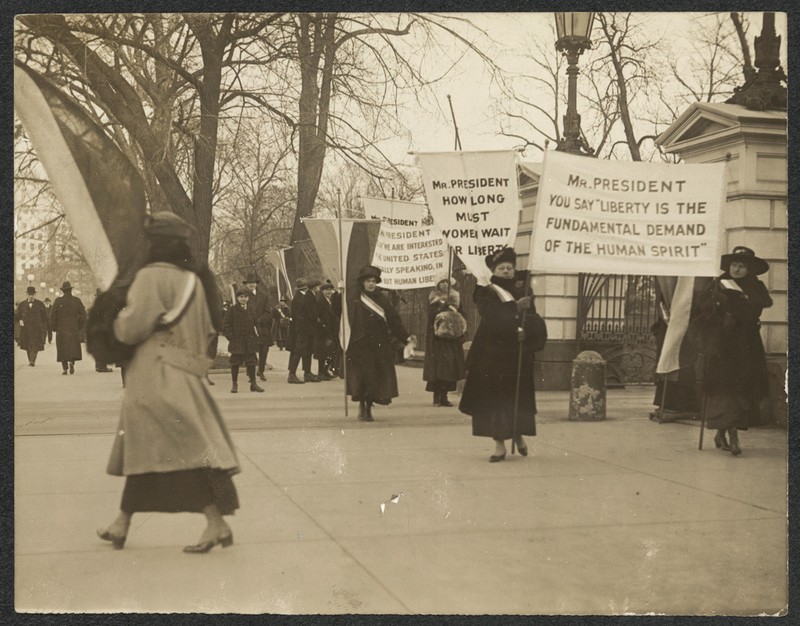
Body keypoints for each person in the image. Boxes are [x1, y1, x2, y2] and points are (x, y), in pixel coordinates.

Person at [98, 211, 240, 553]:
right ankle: (122, 522)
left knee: (175, 454)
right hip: (184, 373)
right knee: (150, 452)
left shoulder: (149, 276)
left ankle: (215, 523)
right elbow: (208, 328)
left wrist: (114, 320)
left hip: (154, 377)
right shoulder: (194, 281)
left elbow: (132, 328)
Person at [459, 248, 544, 462]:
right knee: (495, 401)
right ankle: (499, 445)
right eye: (501, 268)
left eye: (509, 268)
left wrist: (529, 329)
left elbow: (534, 318)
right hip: (492, 355)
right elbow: (492, 317)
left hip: (517, 353)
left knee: (517, 397)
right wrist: (516, 308)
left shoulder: (523, 288)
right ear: (493, 271)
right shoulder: (486, 292)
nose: (506, 271)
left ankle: (518, 435)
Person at [694, 246, 772, 456]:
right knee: (723, 388)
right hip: (722, 345)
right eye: (734, 265)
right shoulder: (717, 284)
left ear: (749, 269)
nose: (737, 269)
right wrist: (716, 313)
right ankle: (730, 435)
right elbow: (703, 312)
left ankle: (725, 432)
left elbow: (757, 309)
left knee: (741, 388)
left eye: (742, 266)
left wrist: (741, 304)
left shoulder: (755, 288)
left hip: (746, 344)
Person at [346, 265, 413, 421]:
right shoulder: (353, 298)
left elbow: (394, 321)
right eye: (368, 281)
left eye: (374, 281)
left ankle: (368, 406)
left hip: (379, 345)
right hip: (360, 344)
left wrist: (406, 337)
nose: (371, 284)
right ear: (362, 282)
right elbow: (342, 316)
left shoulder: (382, 300)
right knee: (362, 377)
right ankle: (362, 405)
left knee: (374, 378)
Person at [423, 276, 467, 407]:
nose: (445, 285)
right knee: (438, 367)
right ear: (438, 285)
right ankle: (437, 396)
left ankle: (445, 396)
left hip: (452, 338)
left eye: (447, 282)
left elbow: (462, 314)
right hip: (437, 339)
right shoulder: (433, 298)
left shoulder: (455, 298)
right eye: (442, 282)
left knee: (449, 367)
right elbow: (431, 316)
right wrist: (442, 306)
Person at [223, 287, 265, 393]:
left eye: (245, 297)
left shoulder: (251, 309)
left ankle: (253, 384)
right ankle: (234, 384)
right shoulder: (232, 310)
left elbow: (256, 323)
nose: (243, 299)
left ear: (248, 298)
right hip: (237, 341)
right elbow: (227, 325)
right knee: (235, 362)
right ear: (237, 298)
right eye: (241, 297)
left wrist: (257, 332)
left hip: (250, 341)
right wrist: (231, 337)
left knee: (251, 362)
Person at [286, 278, 319, 384]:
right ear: (315, 288)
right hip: (304, 329)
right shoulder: (307, 298)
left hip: (306, 329)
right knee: (300, 351)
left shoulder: (306, 296)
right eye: (318, 287)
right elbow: (310, 314)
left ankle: (307, 373)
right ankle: (292, 374)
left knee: (307, 351)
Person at [50, 281, 86, 375]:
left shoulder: (58, 301)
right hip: (73, 327)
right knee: (72, 346)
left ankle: (65, 368)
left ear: (63, 291)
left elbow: (53, 315)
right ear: (70, 290)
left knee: (62, 347)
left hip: (61, 327)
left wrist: (54, 327)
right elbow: (83, 315)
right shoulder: (76, 300)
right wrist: (79, 326)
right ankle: (71, 362)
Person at [242, 272, 273, 380]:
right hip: (248, 327)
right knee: (250, 350)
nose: (251, 285)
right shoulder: (242, 295)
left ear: (256, 284)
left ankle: (261, 370)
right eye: (249, 283)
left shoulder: (263, 296)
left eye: (253, 283)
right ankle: (250, 371)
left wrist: (260, 320)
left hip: (262, 327)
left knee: (264, 349)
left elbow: (268, 312)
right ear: (246, 284)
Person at [15, 286, 49, 366]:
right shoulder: (22, 304)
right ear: (27, 295)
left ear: (35, 295)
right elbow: (17, 315)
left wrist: (43, 327)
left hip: (37, 329)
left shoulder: (40, 304)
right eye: (29, 294)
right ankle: (30, 359)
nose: (31, 296)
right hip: (26, 329)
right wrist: (20, 320)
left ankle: (32, 360)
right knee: (27, 345)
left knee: (35, 345)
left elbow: (45, 317)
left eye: (33, 294)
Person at [314, 280, 339, 380]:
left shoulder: (330, 301)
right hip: (323, 332)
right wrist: (324, 328)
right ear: (322, 291)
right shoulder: (320, 301)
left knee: (330, 352)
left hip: (330, 330)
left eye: (330, 290)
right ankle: (321, 372)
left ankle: (324, 371)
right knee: (323, 353)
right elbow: (318, 317)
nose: (329, 292)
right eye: (326, 290)